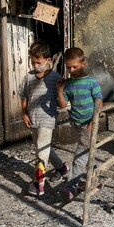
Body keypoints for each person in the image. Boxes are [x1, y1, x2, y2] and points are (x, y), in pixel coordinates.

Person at [18, 41, 68, 196]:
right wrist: (24, 113)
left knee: (40, 153)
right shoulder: (29, 78)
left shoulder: (55, 78)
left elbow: (62, 102)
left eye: (38, 62)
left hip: (47, 120)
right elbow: (24, 97)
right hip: (33, 119)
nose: (35, 65)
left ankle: (38, 184)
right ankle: (61, 168)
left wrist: (61, 91)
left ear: (48, 60)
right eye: (33, 62)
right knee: (44, 149)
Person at [56, 47, 103, 202]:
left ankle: (70, 186)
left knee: (80, 155)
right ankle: (95, 178)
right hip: (75, 123)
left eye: (74, 66)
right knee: (88, 151)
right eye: (68, 67)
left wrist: (93, 121)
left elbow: (99, 103)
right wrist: (60, 90)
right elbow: (63, 105)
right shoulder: (68, 83)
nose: (71, 70)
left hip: (89, 124)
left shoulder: (91, 82)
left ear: (84, 63)